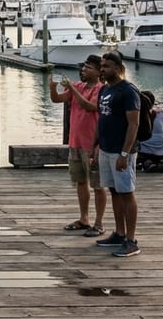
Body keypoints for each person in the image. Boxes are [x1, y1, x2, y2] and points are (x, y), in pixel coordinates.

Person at [50, 54, 106, 237]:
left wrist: (73, 89)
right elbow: (57, 99)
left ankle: (98, 223)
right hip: (76, 142)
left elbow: (90, 106)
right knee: (81, 181)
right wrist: (52, 88)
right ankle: (84, 218)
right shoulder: (79, 86)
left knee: (98, 185)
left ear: (99, 72)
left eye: (89, 68)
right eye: (84, 67)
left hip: (92, 144)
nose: (84, 70)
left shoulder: (101, 90)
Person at [94, 51, 142, 257]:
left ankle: (131, 240)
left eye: (106, 66)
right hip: (106, 148)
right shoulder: (104, 90)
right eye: (101, 66)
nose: (102, 69)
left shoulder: (128, 91)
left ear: (117, 68)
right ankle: (119, 233)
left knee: (126, 192)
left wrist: (125, 152)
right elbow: (101, 118)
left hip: (122, 151)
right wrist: (96, 144)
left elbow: (134, 124)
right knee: (114, 190)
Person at [137, 97, 163, 173]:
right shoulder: (161, 113)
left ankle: (148, 163)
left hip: (145, 149)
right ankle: (160, 162)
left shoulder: (139, 114)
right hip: (162, 148)